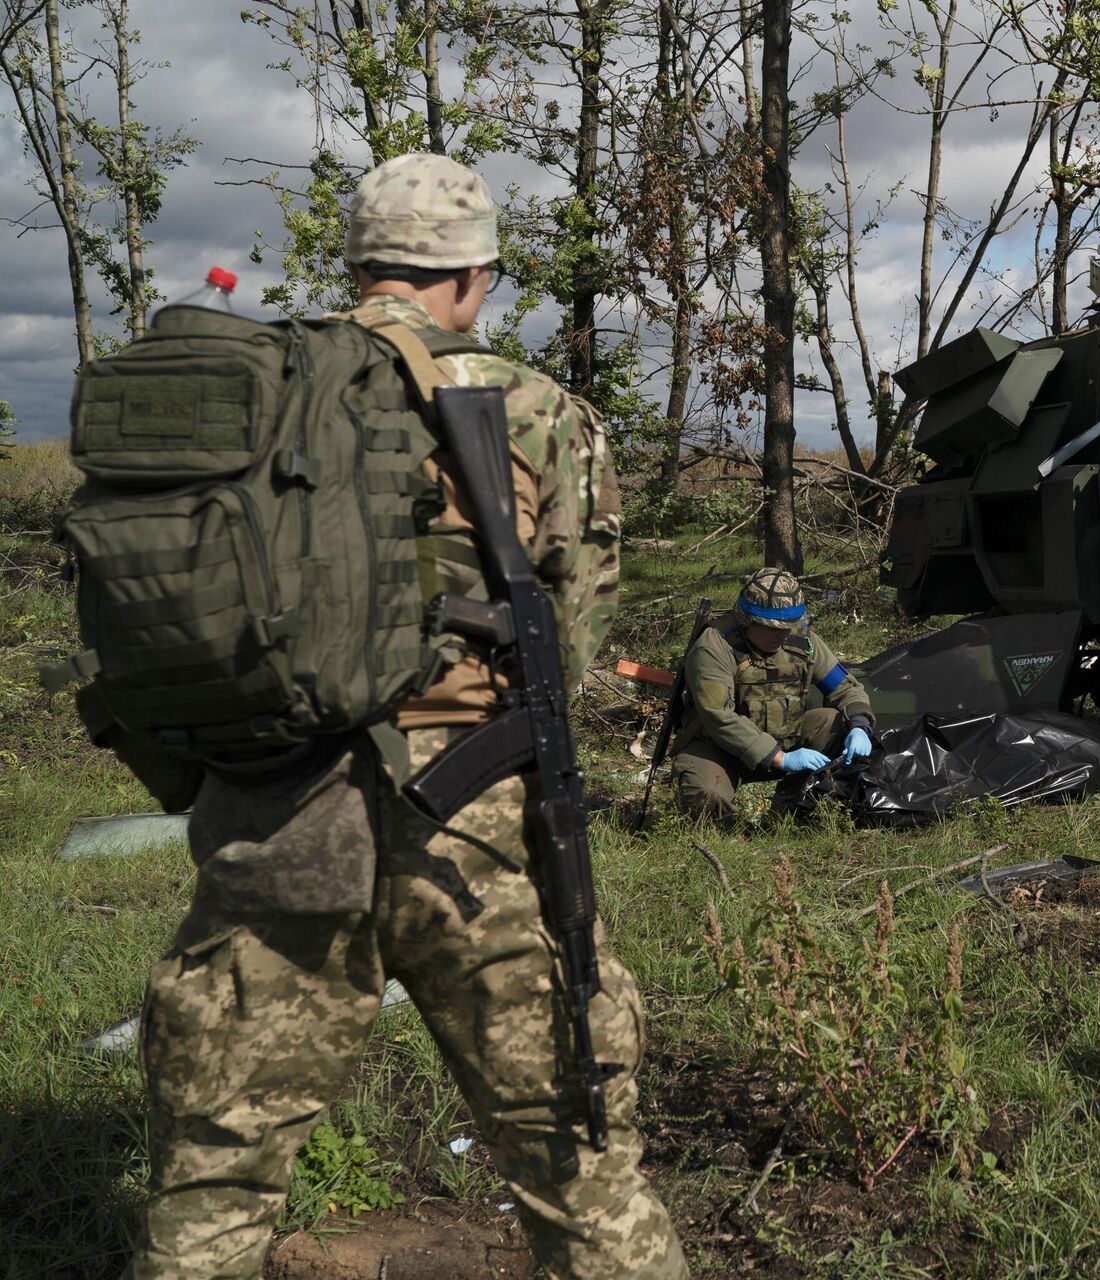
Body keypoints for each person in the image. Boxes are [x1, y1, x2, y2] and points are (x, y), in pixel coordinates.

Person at [128, 154, 687, 1280]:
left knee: (216, 1176)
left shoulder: (254, 390)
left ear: (359, 263)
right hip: (471, 829)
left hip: (275, 811)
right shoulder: (535, 409)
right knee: (583, 1175)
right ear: (475, 278)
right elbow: (569, 640)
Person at [670, 568, 875, 821]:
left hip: (787, 739)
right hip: (721, 750)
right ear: (748, 620)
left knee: (833, 723)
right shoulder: (714, 647)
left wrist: (859, 725)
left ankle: (791, 807)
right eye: (774, 628)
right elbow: (718, 716)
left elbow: (844, 687)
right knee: (704, 797)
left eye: (789, 626)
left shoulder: (802, 640)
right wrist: (779, 758)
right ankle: (730, 834)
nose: (784, 634)